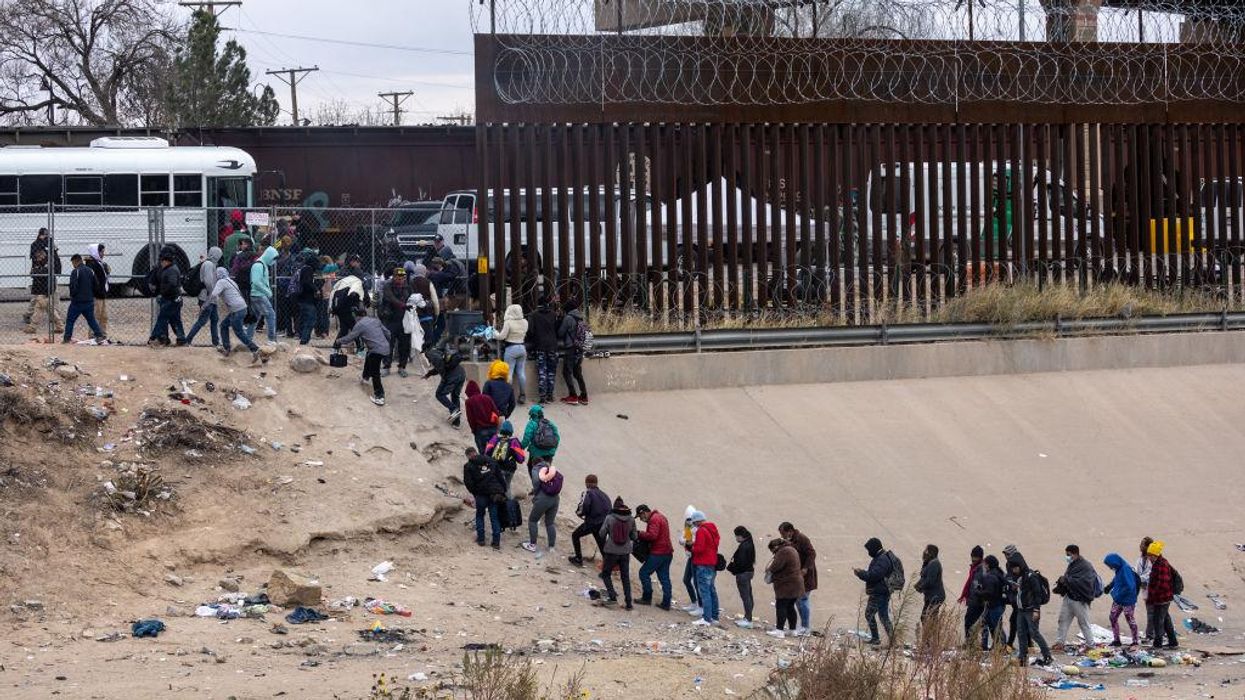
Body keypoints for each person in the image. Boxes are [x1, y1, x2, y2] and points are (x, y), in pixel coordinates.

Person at [334, 306, 391, 407]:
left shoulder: (359, 325)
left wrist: (338, 341)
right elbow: (388, 333)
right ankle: (365, 377)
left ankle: (380, 396)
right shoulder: (375, 320)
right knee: (369, 357)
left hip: (376, 350)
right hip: (385, 347)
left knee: (375, 373)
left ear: (357, 316)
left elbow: (350, 337)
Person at [1008, 553, 1054, 667]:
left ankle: (1047, 656)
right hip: (1021, 610)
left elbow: (1037, 594)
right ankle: (1022, 658)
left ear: (1021, 565)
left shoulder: (1030, 576)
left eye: (1015, 568)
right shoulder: (1016, 577)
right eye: (1012, 568)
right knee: (1021, 633)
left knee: (1034, 633)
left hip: (1030, 610)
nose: (1014, 570)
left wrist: (1036, 610)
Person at [206, 268, 260, 364]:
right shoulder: (231, 281)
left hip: (237, 310)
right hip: (241, 308)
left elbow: (214, 294)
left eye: (216, 274)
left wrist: (205, 304)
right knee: (224, 325)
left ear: (218, 274)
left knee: (239, 332)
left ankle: (255, 349)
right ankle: (227, 348)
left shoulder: (221, 282)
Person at [1053, 544, 1099, 652]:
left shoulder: (1086, 566)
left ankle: (1090, 645)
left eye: (1069, 555)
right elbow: (1070, 577)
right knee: (1062, 620)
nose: (1067, 557)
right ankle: (1060, 643)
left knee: (1084, 623)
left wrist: (1067, 580)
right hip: (1069, 598)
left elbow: (1086, 583)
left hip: (1080, 601)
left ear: (1075, 554)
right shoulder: (1073, 565)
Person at [462, 446, 506, 549]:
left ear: (468, 456)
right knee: (494, 517)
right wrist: (503, 489)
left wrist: (475, 492)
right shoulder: (490, 460)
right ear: (476, 452)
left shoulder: (468, 466)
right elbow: (500, 476)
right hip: (494, 493)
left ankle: (481, 539)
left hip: (481, 494)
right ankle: (496, 542)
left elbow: (468, 483)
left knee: (480, 515)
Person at [598, 496, 637, 609]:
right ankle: (629, 603)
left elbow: (601, 533)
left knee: (606, 574)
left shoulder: (610, 517)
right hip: (625, 552)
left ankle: (612, 597)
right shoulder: (631, 519)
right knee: (625, 577)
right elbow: (634, 536)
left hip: (611, 550)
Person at [854, 537, 895, 646]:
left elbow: (874, 575)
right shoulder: (880, 557)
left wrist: (860, 573)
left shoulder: (882, 559)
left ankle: (891, 641)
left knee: (882, 616)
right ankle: (876, 638)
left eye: (869, 550)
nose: (868, 552)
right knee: (871, 614)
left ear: (874, 548)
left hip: (881, 593)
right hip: (877, 592)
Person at [779, 522, 817, 636]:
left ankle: (805, 627)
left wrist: (805, 568)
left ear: (790, 531)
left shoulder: (802, 538)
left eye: (783, 533)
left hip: (806, 576)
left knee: (802, 600)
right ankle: (803, 626)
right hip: (798, 575)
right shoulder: (791, 540)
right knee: (798, 601)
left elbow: (812, 554)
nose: (782, 536)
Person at [635, 504, 674, 610]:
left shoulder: (654, 519)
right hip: (667, 552)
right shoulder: (660, 516)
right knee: (664, 578)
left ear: (644, 513)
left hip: (658, 553)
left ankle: (647, 598)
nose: (641, 520)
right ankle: (666, 603)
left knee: (643, 573)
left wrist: (639, 533)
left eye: (641, 517)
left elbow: (652, 536)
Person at [62, 254, 106, 344]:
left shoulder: (76, 271)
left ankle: (67, 338)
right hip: (89, 300)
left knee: (70, 320)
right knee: (91, 320)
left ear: (75, 261)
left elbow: (73, 286)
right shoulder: (90, 271)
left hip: (77, 301)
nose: (73, 265)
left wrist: (73, 296)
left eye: (73, 263)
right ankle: (99, 335)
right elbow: (96, 285)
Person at [765, 537, 805, 639]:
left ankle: (779, 630)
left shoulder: (783, 552)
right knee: (790, 606)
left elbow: (775, 566)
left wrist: (769, 570)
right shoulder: (791, 549)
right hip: (796, 583)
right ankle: (792, 630)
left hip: (787, 584)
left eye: (773, 551)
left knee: (781, 605)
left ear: (776, 547)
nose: (773, 553)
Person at [568, 474, 610, 567]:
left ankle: (578, 559)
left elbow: (585, 505)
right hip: (604, 523)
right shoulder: (605, 495)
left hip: (592, 522)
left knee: (575, 535)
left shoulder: (588, 493)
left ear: (587, 483)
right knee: (601, 543)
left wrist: (580, 513)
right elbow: (609, 509)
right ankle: (608, 566)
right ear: (596, 483)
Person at [185, 247, 222, 347]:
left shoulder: (210, 264)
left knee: (214, 319)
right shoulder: (209, 264)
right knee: (202, 320)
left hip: (210, 297)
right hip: (207, 297)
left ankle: (216, 342)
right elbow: (208, 282)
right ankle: (188, 340)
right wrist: (213, 293)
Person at [1144, 541, 1179, 650]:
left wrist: (1152, 596)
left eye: (1150, 556)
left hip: (1161, 598)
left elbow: (1161, 584)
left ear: (1154, 555)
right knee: (1165, 619)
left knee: (1157, 620)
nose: (1149, 558)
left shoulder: (1161, 565)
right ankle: (1173, 641)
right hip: (1163, 598)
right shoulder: (1160, 563)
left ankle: (1157, 643)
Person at [522, 460, 561, 557]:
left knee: (533, 520)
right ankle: (551, 547)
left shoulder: (536, 469)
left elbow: (536, 482)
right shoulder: (551, 470)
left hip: (543, 498)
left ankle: (532, 545)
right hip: (555, 498)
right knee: (550, 523)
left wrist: (536, 495)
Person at [689, 510, 720, 626]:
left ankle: (706, 618)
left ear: (697, 521)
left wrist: (692, 547)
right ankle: (714, 616)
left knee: (705, 591)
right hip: (711, 563)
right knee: (712, 590)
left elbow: (699, 549)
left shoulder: (701, 531)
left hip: (703, 563)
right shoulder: (712, 529)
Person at [148, 251, 186, 347]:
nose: (161, 263)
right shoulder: (169, 268)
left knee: (162, 318)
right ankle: (181, 339)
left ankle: (153, 338)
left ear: (167, 261)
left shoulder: (171, 270)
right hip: (173, 299)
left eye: (162, 261)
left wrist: (163, 293)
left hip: (171, 299)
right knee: (175, 319)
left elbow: (172, 285)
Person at [525, 296, 559, 404]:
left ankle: (542, 396)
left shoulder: (533, 315)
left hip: (540, 346)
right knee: (551, 371)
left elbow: (530, 331)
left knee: (542, 371)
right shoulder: (554, 314)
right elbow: (557, 329)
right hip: (553, 346)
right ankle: (550, 395)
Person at [1103, 553, 1140, 647]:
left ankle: (1135, 641)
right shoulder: (1119, 569)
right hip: (1118, 599)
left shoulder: (1125, 569)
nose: (1110, 567)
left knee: (1130, 619)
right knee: (1113, 617)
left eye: (1110, 565)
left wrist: (1118, 593)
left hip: (1128, 600)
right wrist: (1109, 586)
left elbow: (1130, 586)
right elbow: (1116, 579)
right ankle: (1116, 640)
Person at [556, 299, 589, 405]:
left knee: (566, 372)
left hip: (571, 348)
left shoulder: (568, 318)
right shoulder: (580, 318)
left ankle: (573, 396)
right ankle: (584, 396)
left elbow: (560, 333)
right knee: (577, 372)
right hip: (580, 349)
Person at [381, 267, 413, 375]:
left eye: (403, 278)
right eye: (398, 278)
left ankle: (402, 367)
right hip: (390, 318)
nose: (401, 280)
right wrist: (403, 305)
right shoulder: (387, 285)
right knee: (388, 343)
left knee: (404, 344)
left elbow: (411, 298)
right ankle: (386, 366)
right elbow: (390, 298)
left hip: (404, 319)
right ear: (393, 277)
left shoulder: (407, 286)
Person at [424, 342, 465, 425]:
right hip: (461, 373)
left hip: (452, 376)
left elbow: (441, 368)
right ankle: (456, 422)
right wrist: (429, 374)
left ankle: (454, 409)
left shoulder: (430, 354)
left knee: (439, 394)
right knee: (455, 396)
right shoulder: (439, 351)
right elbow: (441, 367)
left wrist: (444, 380)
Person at [495, 304, 528, 405]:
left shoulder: (508, 322)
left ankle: (507, 396)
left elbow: (502, 337)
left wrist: (495, 333)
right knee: (521, 373)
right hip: (522, 348)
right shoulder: (525, 322)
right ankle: (522, 395)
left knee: (509, 374)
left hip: (511, 349)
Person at [25, 246, 62, 334]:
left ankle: (32, 327)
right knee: (50, 310)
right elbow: (32, 273)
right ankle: (60, 325)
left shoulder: (49, 263)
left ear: (43, 255)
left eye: (39, 257)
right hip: (40, 290)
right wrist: (37, 272)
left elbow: (42, 274)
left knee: (39, 309)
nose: (37, 259)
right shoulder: (39, 263)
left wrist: (37, 272)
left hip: (45, 291)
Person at [248, 244, 279, 344]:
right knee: (271, 315)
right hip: (259, 295)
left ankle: (248, 340)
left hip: (257, 295)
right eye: (273, 259)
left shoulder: (262, 264)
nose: (273, 261)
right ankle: (271, 340)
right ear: (269, 256)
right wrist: (267, 292)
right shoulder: (259, 265)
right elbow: (256, 282)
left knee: (254, 318)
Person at [975, 555, 1007, 650]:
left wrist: (978, 592)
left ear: (988, 565)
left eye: (985, 563)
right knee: (989, 624)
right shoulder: (999, 573)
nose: (983, 565)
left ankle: (1001, 647)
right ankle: (996, 645)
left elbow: (989, 593)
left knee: (996, 626)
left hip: (994, 605)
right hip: (997, 604)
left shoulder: (991, 577)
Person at [484, 421, 526, 495]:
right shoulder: (514, 441)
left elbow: (487, 452)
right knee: (507, 487)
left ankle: (497, 503)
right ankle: (508, 504)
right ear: (511, 431)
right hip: (510, 469)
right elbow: (521, 459)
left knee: (498, 486)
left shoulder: (495, 438)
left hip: (497, 467)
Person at [330, 269, 367, 351]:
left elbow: (333, 292)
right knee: (355, 329)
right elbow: (353, 293)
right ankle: (360, 349)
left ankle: (335, 347)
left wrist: (332, 308)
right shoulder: (357, 282)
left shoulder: (344, 281)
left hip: (339, 308)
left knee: (344, 329)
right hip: (347, 309)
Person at [727, 526, 756, 628]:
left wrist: (734, 570)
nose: (736, 538)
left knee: (745, 596)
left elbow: (741, 563)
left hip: (743, 573)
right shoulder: (749, 542)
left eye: (736, 536)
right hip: (749, 572)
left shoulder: (744, 546)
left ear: (740, 536)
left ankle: (748, 619)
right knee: (748, 595)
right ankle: (748, 617)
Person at [464, 381, 500, 453]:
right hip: (493, 428)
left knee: (483, 452)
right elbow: (496, 412)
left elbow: (471, 419)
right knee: (494, 452)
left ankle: (486, 463)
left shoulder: (469, 401)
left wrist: (474, 430)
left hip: (480, 430)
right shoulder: (487, 397)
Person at [959, 545, 986, 639]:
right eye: (972, 556)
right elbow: (970, 583)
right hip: (974, 600)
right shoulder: (975, 567)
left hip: (977, 601)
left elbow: (978, 585)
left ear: (980, 557)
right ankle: (970, 642)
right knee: (970, 621)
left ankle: (970, 643)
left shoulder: (981, 569)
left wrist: (977, 596)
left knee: (970, 622)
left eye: (975, 556)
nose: (973, 558)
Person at [293, 251, 319, 345]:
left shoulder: (304, 268)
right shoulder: (308, 269)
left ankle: (302, 337)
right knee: (311, 319)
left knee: (304, 319)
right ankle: (304, 339)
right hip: (306, 299)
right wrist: (316, 289)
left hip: (302, 298)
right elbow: (307, 283)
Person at [83, 244, 110, 334]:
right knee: (96, 316)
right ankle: (93, 334)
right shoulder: (91, 264)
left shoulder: (99, 262)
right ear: (96, 252)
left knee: (104, 316)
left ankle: (103, 333)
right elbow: (92, 280)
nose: (103, 254)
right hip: (96, 294)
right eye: (101, 252)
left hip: (102, 294)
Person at [1001, 544, 1024, 649]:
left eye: (1007, 554)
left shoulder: (1014, 562)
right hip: (1017, 597)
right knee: (1018, 620)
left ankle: (1010, 643)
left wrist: (1012, 583)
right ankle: (1027, 644)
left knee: (1015, 621)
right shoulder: (1014, 561)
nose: (1005, 556)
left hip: (1019, 597)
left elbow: (1016, 577)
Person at [679, 505, 700, 615]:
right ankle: (694, 602)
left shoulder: (697, 529)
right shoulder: (689, 529)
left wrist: (687, 540)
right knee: (686, 580)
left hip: (696, 557)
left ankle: (700, 606)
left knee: (697, 582)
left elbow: (689, 541)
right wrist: (687, 530)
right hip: (691, 557)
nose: (689, 521)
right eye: (687, 520)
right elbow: (682, 540)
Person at [914, 544, 945, 619]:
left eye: (926, 551)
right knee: (926, 617)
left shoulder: (934, 564)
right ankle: (931, 630)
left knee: (929, 618)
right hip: (930, 596)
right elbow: (923, 575)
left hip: (935, 596)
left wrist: (920, 587)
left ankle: (932, 630)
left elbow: (930, 581)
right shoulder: (929, 562)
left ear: (931, 553)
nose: (924, 552)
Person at [1136, 536, 1154, 643]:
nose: (1140, 546)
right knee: (1151, 612)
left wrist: (1138, 579)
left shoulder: (1151, 560)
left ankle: (1150, 634)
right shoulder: (1140, 559)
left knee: (1152, 613)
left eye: (1142, 544)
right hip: (1145, 590)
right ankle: (1152, 633)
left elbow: (1149, 574)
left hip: (1152, 590)